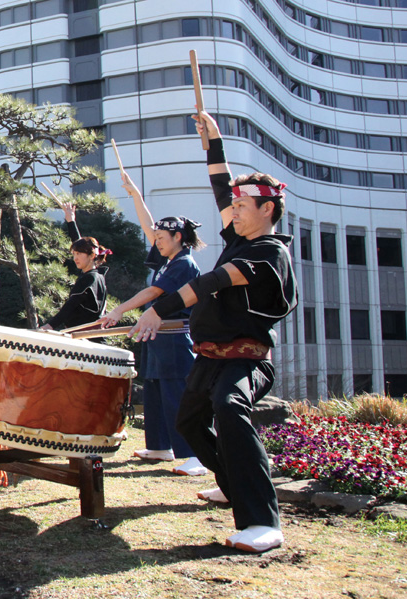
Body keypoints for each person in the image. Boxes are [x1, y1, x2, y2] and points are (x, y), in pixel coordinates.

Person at [130, 111, 297, 553]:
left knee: (229, 407)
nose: (232, 210)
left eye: (243, 207)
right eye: (234, 207)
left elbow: (210, 284)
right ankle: (231, 482)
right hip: (210, 355)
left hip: (245, 357)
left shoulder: (268, 252)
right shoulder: (241, 239)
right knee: (189, 420)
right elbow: (222, 187)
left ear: (268, 209)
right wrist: (214, 144)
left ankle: (263, 520)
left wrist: (155, 310)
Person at [96, 171, 208, 477]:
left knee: (176, 397)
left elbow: (154, 293)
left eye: (161, 238)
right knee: (157, 393)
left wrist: (119, 310)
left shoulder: (184, 263)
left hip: (175, 337)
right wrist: (135, 195)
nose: (155, 241)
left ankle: (196, 455)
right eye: (156, 238)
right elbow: (149, 227)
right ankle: (160, 446)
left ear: (178, 238)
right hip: (156, 336)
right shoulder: (169, 259)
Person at [39, 201, 110, 331]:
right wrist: (71, 221)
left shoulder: (90, 279)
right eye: (74, 254)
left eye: (79, 254)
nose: (75, 258)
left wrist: (50, 326)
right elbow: (79, 243)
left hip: (85, 335)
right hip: (86, 333)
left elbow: (71, 305)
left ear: (92, 255)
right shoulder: (95, 275)